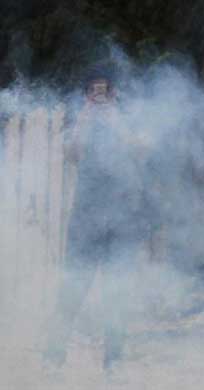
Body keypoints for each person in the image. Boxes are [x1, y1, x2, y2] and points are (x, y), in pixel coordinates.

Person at [43, 63, 150, 372]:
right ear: (85, 95)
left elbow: (139, 150)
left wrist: (114, 120)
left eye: (103, 91)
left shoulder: (128, 121)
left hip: (122, 220)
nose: (98, 96)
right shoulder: (81, 123)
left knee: (117, 294)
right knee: (72, 290)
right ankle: (53, 358)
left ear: (114, 94)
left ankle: (113, 364)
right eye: (92, 91)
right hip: (86, 219)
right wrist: (86, 118)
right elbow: (71, 154)